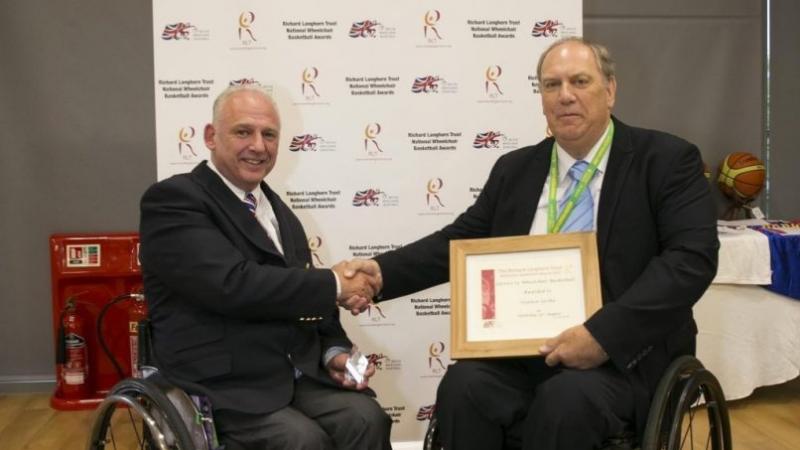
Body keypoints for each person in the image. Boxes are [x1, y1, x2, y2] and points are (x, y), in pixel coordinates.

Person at [338, 37, 719, 449]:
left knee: (567, 399)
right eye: (552, 85)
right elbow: (458, 242)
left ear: (609, 89)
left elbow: (689, 260)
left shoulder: (665, 160)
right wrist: (381, 273)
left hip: (624, 357)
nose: (565, 96)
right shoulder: (516, 169)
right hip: (523, 353)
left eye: (579, 81)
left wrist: (602, 336)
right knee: (465, 385)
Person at [139, 84, 391, 450]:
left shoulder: (281, 215)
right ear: (211, 136)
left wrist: (332, 351)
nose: (258, 145)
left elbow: (302, 297)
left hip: (292, 373)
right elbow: (233, 285)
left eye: (268, 134)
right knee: (301, 440)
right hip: (220, 384)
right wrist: (335, 284)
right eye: (243, 131)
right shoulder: (175, 201)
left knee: (366, 419)